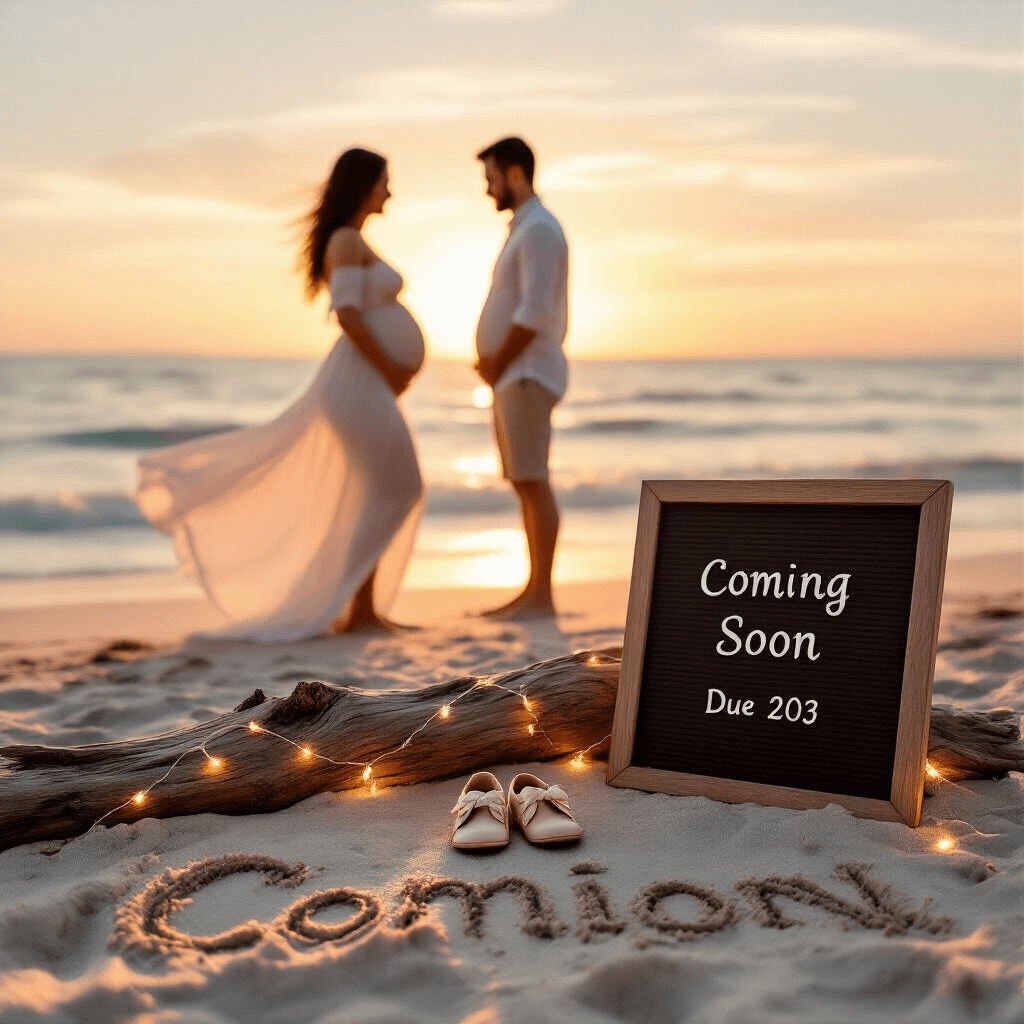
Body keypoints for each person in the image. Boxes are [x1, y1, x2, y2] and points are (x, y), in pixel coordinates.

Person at [136, 148, 425, 640]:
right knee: (397, 485)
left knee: (383, 489)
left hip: (366, 380)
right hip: (360, 379)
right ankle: (358, 611)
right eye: (384, 182)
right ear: (363, 185)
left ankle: (361, 609)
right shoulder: (345, 240)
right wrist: (391, 368)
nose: (390, 192)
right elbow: (347, 313)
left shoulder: (355, 239)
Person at [474, 137, 569, 619]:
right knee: (523, 482)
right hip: (514, 374)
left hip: (527, 372)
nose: (487, 188)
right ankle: (531, 591)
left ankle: (541, 596)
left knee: (533, 480)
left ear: (514, 173)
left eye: (491, 177)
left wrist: (496, 361)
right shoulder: (524, 228)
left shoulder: (539, 230)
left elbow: (534, 310)